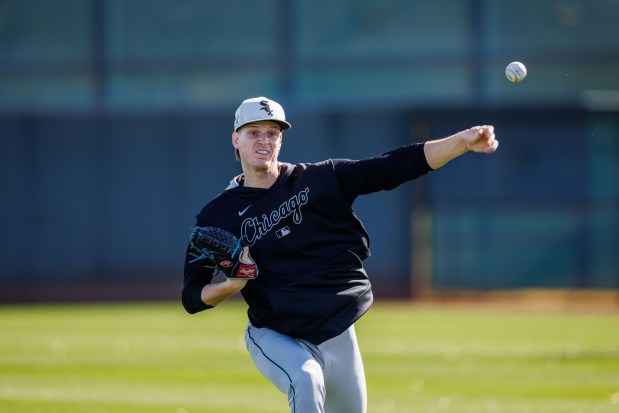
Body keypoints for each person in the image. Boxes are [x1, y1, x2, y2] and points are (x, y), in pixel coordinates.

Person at [182, 96, 498, 413]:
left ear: (281, 139)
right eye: (254, 132)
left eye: (272, 132)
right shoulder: (216, 217)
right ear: (236, 138)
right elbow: (192, 296)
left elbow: (394, 166)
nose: (264, 140)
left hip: (338, 334)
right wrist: (229, 286)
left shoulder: (320, 179)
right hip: (277, 336)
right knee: (305, 379)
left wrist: (462, 142)